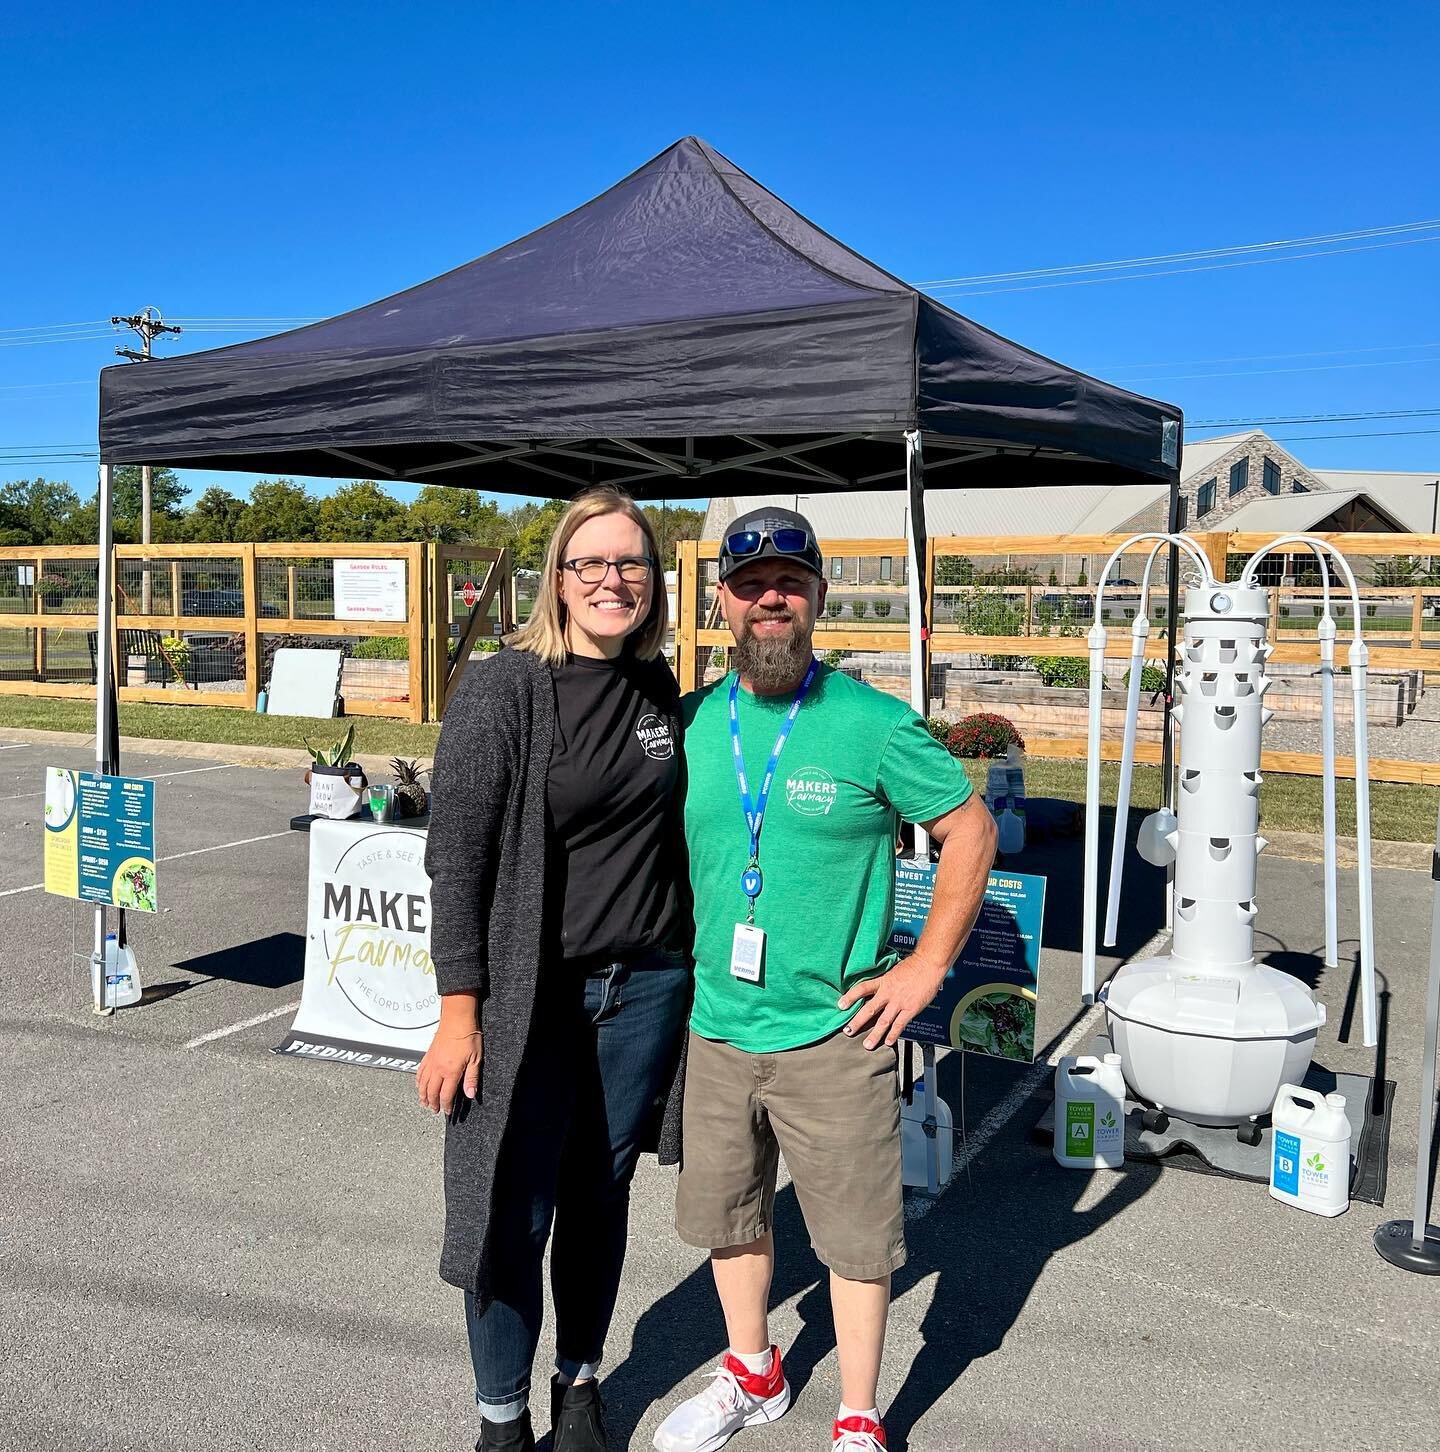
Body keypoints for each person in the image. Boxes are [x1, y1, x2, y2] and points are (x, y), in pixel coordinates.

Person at [652, 506, 996, 1452]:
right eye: (752, 585)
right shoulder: (686, 723)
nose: (772, 599)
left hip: (837, 1037)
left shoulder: (872, 724)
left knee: (854, 1242)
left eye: (790, 586)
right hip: (719, 1027)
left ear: (816, 600)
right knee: (732, 1218)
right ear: (721, 601)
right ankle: (753, 1374)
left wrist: (928, 966)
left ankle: (856, 1416)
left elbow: (970, 828)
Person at [419, 486, 692, 1452]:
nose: (611, 580)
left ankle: (580, 1377)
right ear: (559, 579)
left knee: (597, 1198)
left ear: (653, 581)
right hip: (532, 998)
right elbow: (456, 856)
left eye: (630, 563)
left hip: (645, 992)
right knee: (507, 1203)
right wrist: (461, 1014)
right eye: (591, 563)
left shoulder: (662, 694)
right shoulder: (505, 689)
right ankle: (503, 1417)